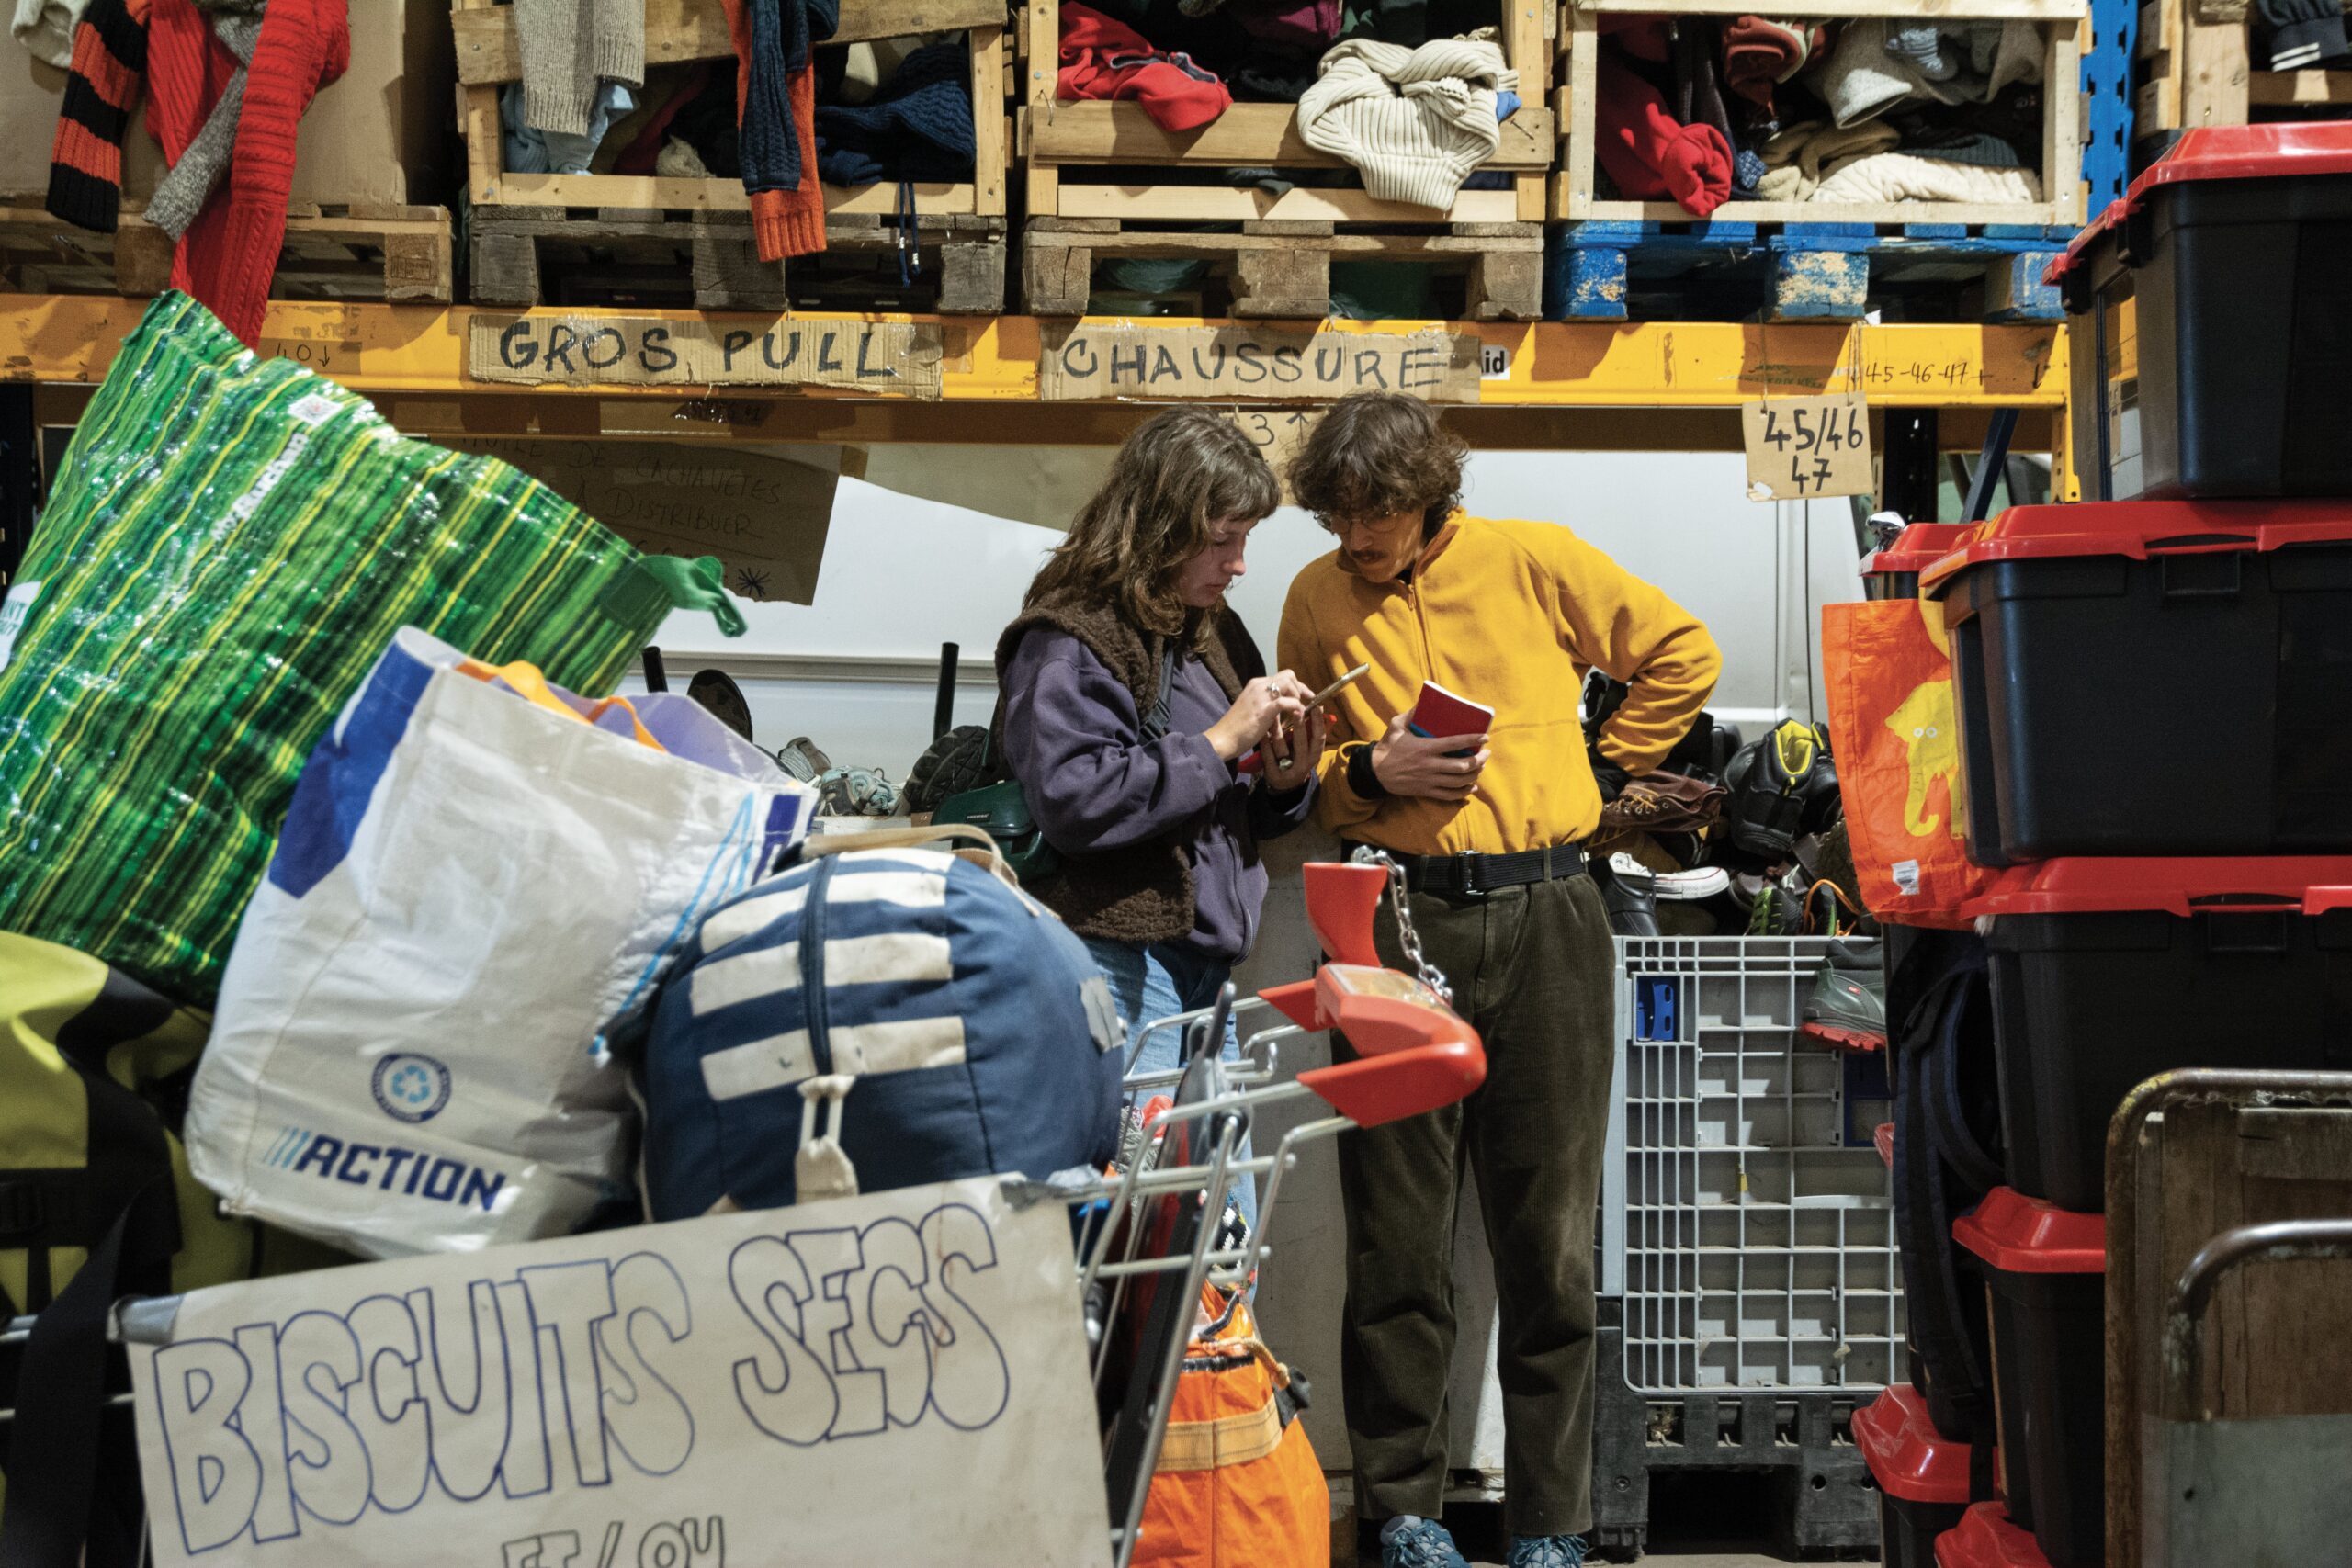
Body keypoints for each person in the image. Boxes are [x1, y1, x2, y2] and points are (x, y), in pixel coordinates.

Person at [1277, 394, 1722, 1568]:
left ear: (1429, 493)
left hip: (1551, 915)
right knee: (1394, 1239)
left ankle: (1550, 1524)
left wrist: (1603, 766)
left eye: (1373, 514)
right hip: (1392, 918)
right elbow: (1302, 770)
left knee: (1549, 1243)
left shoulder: (1532, 558)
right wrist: (1367, 774)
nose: (1354, 537)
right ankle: (1402, 1514)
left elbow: (1682, 650)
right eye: (1334, 515)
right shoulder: (1315, 597)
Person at [997, 407, 1325, 1226]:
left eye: (1246, 537)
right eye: (1221, 539)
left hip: (1203, 982)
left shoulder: (1212, 632)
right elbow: (1074, 798)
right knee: (1134, 1234)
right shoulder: (1071, 637)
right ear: (1160, 524)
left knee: (1216, 1239)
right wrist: (1221, 742)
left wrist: (1282, 781)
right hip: (1119, 969)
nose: (1239, 563)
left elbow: (1222, 801)